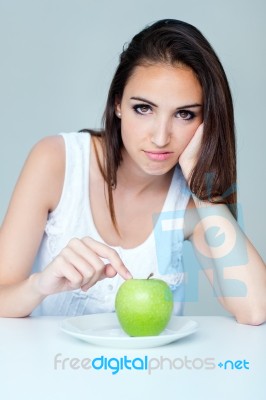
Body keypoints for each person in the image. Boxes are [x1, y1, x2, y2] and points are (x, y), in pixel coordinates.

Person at [0, 19, 265, 323]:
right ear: (117, 104)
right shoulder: (56, 161)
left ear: (207, 122)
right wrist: (39, 285)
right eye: (144, 108)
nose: (161, 137)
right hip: (54, 367)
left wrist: (205, 191)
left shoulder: (192, 198)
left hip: (157, 370)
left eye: (184, 114)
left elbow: (255, 309)